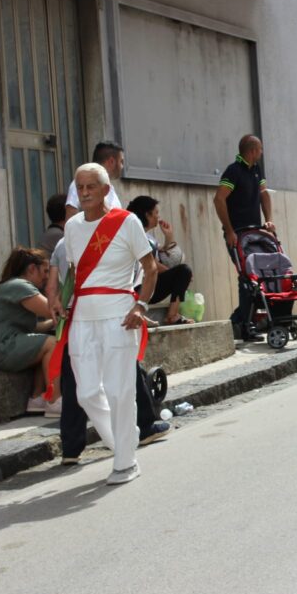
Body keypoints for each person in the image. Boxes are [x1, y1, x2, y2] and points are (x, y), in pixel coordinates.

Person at [56, 163, 157, 485]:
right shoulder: (72, 227)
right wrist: (61, 299)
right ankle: (122, 441)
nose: (85, 193)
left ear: (105, 190)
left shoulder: (126, 222)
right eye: (80, 187)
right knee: (86, 393)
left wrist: (141, 305)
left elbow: (150, 267)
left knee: (119, 390)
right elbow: (75, 272)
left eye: (91, 187)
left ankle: (125, 462)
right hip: (82, 316)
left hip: (118, 315)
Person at [46, 236, 171, 466]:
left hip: (76, 316)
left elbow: (53, 285)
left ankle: (71, 447)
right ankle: (140, 429)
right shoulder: (120, 234)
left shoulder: (65, 241)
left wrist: (56, 303)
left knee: (76, 381)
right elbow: (142, 274)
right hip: (111, 314)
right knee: (125, 377)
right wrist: (139, 306)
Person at [0, 247, 58, 414]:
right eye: (45, 271)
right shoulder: (21, 286)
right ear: (32, 269)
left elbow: (38, 326)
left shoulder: (12, 286)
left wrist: (54, 322)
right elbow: (53, 310)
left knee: (42, 342)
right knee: (52, 344)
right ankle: (55, 400)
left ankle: (37, 399)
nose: (47, 277)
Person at [214, 134, 274, 341]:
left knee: (258, 277)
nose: (262, 152)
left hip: (255, 233)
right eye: (260, 149)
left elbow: (264, 194)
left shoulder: (256, 169)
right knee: (246, 278)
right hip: (237, 233)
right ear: (252, 151)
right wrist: (229, 230)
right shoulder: (233, 171)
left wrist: (269, 220)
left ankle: (241, 321)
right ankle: (242, 324)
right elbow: (219, 199)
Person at [126, 196, 194, 325]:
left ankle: (172, 315)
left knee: (183, 272)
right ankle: (171, 315)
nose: (158, 216)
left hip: (150, 287)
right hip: (137, 289)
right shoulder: (133, 234)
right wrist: (175, 274)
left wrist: (168, 237)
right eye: (156, 213)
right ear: (147, 215)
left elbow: (161, 256)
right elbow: (152, 264)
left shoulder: (149, 237)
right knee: (184, 271)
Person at [64, 142, 124, 219]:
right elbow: (71, 214)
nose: (122, 166)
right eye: (121, 162)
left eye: (91, 187)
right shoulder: (81, 183)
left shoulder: (110, 188)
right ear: (111, 161)